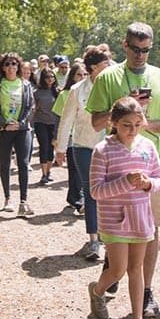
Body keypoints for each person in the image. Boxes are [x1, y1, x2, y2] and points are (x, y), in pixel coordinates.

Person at [86, 22, 160, 318]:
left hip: (154, 164)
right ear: (124, 45)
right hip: (117, 167)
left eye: (146, 50)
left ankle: (146, 290)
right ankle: (114, 267)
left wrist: (144, 122)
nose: (141, 55)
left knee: (152, 232)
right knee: (120, 230)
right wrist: (125, 111)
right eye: (135, 49)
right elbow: (95, 122)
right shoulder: (108, 77)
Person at [87, 97, 160, 319]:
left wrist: (147, 184)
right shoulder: (103, 150)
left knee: (136, 269)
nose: (131, 130)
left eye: (136, 124)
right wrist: (126, 182)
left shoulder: (148, 147)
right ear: (113, 123)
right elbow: (96, 191)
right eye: (125, 125)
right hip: (114, 219)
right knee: (118, 269)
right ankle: (98, 291)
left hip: (141, 218)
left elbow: (159, 179)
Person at [55, 47, 111, 260]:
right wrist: (60, 149)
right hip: (83, 146)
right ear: (94, 67)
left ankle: (109, 236)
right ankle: (94, 241)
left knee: (109, 193)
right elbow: (66, 120)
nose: (110, 69)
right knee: (91, 192)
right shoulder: (77, 90)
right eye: (106, 65)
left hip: (110, 148)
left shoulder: (113, 88)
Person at [0, 52, 35, 217]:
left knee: (23, 163)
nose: (11, 67)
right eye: (7, 64)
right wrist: (3, 124)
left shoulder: (25, 84)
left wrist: (21, 123)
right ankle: (7, 198)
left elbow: (30, 106)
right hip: (3, 130)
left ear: (19, 66)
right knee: (5, 163)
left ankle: (24, 200)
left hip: (22, 129)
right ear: (2, 67)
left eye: (14, 63)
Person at [51, 62, 87, 213]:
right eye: (79, 74)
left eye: (85, 74)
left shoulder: (90, 92)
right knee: (74, 168)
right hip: (70, 136)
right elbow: (59, 118)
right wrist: (56, 139)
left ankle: (75, 197)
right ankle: (77, 200)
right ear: (72, 76)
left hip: (85, 134)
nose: (82, 77)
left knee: (83, 170)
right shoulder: (65, 94)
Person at [33, 68, 60, 185]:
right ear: (43, 79)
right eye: (48, 77)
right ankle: (43, 174)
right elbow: (34, 108)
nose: (50, 79)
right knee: (43, 146)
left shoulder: (58, 92)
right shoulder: (37, 92)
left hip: (53, 123)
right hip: (40, 122)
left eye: (52, 77)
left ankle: (48, 172)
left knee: (51, 148)